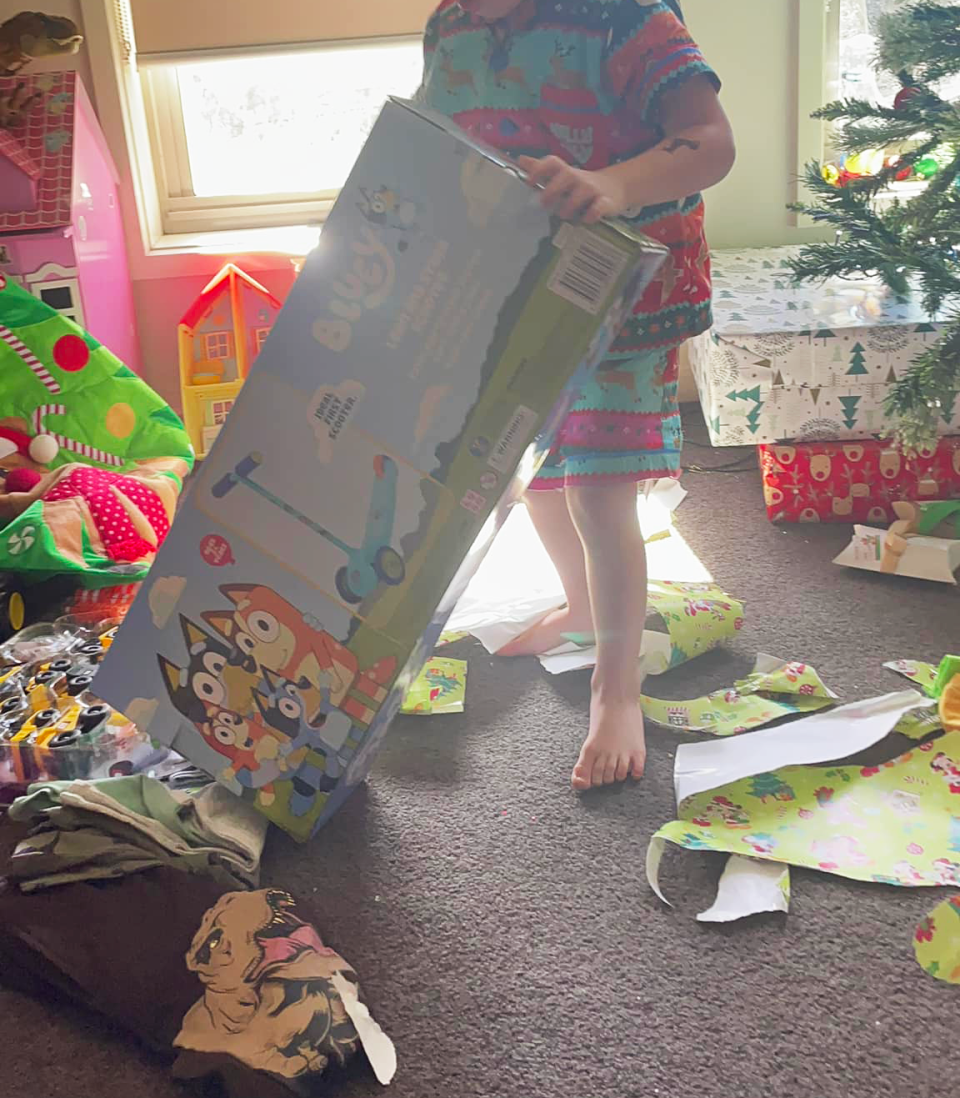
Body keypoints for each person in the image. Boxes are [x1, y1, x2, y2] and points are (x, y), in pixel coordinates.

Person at [417, 0, 735, 790]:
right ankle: (580, 604)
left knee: (600, 492)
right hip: (520, 289)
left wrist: (614, 183)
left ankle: (615, 688)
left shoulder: (624, 15)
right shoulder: (452, 24)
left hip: (632, 283)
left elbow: (713, 142)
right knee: (538, 470)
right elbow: (432, 143)